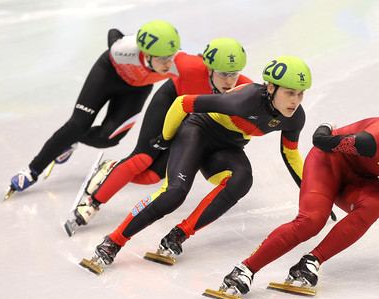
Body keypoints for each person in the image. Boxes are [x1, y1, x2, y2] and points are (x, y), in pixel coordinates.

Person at [80, 55, 313, 274]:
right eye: (290, 93)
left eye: (301, 94)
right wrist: (166, 138)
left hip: (225, 147)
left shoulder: (295, 117)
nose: (295, 101)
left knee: (242, 180)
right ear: (270, 88)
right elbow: (183, 103)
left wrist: (311, 190)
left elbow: (290, 154)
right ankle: (114, 241)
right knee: (174, 193)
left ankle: (178, 235)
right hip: (197, 132)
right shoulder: (243, 100)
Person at [211, 93, 379, 299]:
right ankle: (244, 270)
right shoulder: (374, 141)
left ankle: (309, 263)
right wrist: (327, 125)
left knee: (374, 205)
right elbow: (321, 141)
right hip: (327, 164)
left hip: (358, 177)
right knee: (311, 221)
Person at [65, 38, 252, 234]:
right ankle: (91, 203)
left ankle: (111, 168)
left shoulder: (243, 88)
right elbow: (160, 52)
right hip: (169, 103)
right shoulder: (188, 66)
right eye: (223, 74)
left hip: (191, 121)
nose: (230, 81)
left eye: (234, 74)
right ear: (209, 68)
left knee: (152, 176)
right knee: (142, 158)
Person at [5, 20, 181, 199]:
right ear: (146, 54)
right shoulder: (123, 49)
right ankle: (32, 171)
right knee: (77, 125)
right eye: (162, 58)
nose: (168, 63)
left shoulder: (178, 64)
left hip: (136, 91)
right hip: (107, 75)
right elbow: (113, 31)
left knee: (108, 139)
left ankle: (69, 142)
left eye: (171, 56)